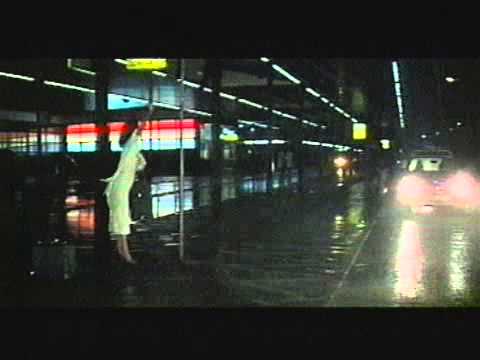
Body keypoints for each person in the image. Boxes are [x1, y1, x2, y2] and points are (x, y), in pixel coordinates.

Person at [101, 122, 147, 264]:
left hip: (120, 188)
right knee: (121, 219)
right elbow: (139, 131)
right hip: (119, 189)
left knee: (121, 218)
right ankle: (125, 253)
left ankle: (121, 249)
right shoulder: (131, 148)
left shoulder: (132, 150)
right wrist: (149, 113)